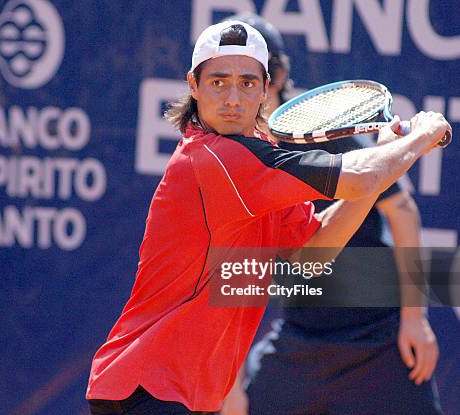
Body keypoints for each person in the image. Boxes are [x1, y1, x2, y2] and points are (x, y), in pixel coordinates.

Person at [85, 20, 451, 415]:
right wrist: (419, 137)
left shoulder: (257, 162)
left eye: (246, 83)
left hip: (184, 394)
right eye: (218, 82)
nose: (232, 98)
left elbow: (310, 258)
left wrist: (381, 169)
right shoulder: (215, 159)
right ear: (193, 85)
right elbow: (362, 176)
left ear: (265, 87)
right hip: (146, 388)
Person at [219, 14, 443, 415]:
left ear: (280, 73)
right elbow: (235, 273)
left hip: (377, 336)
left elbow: (403, 211)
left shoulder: (324, 130)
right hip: (300, 336)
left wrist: (414, 319)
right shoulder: (234, 154)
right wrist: (231, 384)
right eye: (224, 79)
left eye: (253, 76)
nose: (238, 91)